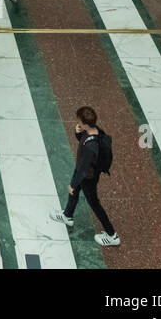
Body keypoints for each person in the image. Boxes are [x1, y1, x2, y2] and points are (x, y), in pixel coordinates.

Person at [50, 105, 120, 247]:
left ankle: (112, 235)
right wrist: (78, 133)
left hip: (88, 177)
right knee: (74, 194)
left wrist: (73, 184)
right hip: (84, 173)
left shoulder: (91, 146)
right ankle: (67, 215)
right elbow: (82, 142)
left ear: (86, 124)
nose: (78, 123)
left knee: (94, 203)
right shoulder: (94, 131)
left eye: (80, 122)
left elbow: (84, 169)